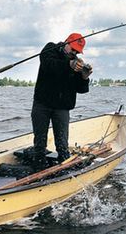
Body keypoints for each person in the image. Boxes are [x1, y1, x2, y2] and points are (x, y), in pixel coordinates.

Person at [31, 33, 92, 170]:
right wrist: (68, 65)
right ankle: (39, 168)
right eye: (73, 48)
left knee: (62, 144)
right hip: (42, 104)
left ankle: (64, 169)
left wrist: (84, 77)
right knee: (40, 142)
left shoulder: (77, 64)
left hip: (62, 108)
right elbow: (48, 65)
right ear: (66, 43)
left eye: (77, 51)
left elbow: (81, 89)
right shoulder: (50, 49)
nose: (75, 52)